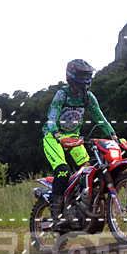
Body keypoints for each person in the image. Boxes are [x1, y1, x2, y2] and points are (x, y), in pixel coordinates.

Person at [42, 59, 117, 226]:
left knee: (88, 171)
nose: (86, 80)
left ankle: (81, 208)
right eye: (83, 76)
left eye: (88, 76)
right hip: (53, 137)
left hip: (74, 138)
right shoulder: (62, 94)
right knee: (62, 170)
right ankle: (56, 215)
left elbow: (100, 118)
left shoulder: (88, 97)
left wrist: (113, 135)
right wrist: (57, 135)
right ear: (72, 77)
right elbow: (51, 118)